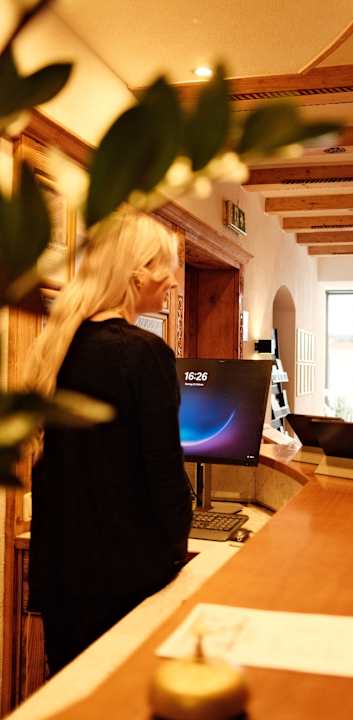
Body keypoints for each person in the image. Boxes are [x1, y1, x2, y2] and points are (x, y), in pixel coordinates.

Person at [24, 207, 193, 675]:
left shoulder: (58, 344)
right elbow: (163, 473)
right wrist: (179, 550)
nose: (173, 282)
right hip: (124, 581)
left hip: (62, 577)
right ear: (138, 273)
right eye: (167, 269)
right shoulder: (145, 353)